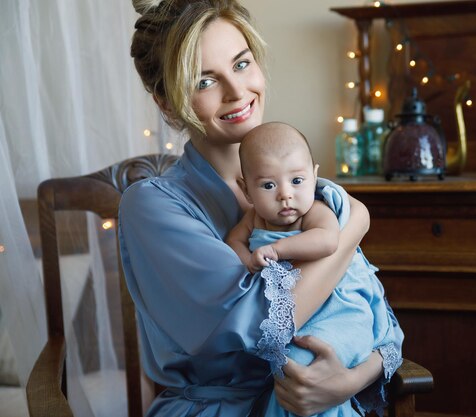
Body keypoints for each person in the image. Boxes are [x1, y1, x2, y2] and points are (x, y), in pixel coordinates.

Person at [119, 0, 402, 415]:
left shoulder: (301, 189)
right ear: (165, 101)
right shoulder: (151, 206)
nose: (237, 92)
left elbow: (373, 315)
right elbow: (257, 325)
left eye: (241, 63)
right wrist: (354, 226)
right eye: (203, 82)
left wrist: (349, 381)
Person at [226, 121, 404, 416]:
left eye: (297, 181)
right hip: (299, 315)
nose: (285, 195)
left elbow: (327, 242)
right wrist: (247, 258)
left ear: (314, 176)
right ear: (247, 190)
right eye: (268, 185)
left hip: (339, 308)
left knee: (301, 366)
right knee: (288, 369)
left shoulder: (315, 211)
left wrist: (276, 250)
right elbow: (234, 240)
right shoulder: (253, 217)